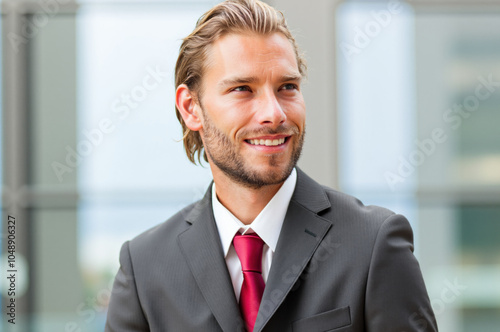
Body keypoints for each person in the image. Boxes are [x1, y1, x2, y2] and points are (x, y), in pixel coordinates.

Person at [105, 0, 438, 331]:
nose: (274, 113)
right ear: (191, 108)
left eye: (287, 87)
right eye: (242, 89)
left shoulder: (373, 244)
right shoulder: (144, 268)